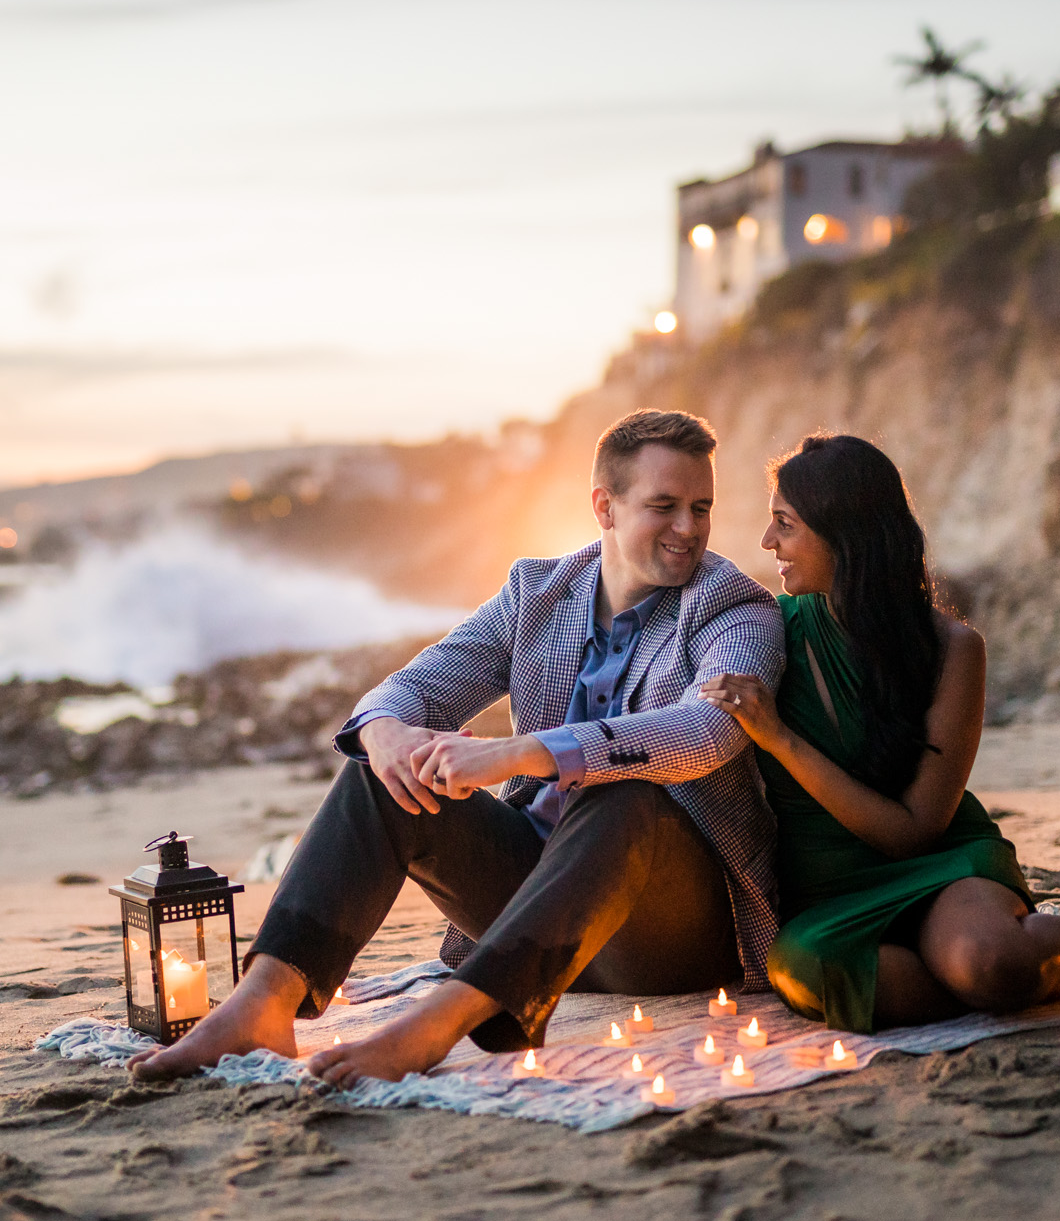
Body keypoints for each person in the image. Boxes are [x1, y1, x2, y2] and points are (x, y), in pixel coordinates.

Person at [133, 409, 786, 1084]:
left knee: (622, 794)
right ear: (604, 507)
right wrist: (387, 735)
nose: (689, 528)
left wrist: (517, 752)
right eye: (664, 506)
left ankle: (438, 1024)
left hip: (665, 928)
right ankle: (262, 1004)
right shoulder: (538, 593)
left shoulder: (733, 609)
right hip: (533, 904)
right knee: (378, 772)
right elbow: (413, 686)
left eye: (700, 507)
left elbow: (708, 730)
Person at [700, 434, 1060, 1034]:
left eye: (784, 524)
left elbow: (914, 832)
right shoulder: (765, 632)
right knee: (811, 972)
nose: (768, 543)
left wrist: (782, 739)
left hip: (941, 867)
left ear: (844, 533)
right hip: (828, 896)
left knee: (989, 965)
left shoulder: (953, 649)